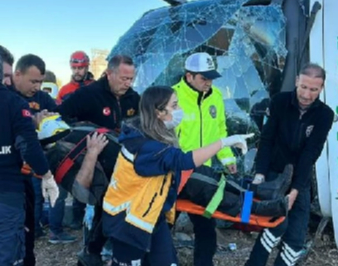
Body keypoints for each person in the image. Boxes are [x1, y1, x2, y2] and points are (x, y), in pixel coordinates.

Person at [102, 85, 251, 266]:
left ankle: (264, 195)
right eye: (174, 106)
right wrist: (223, 143)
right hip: (128, 222)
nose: (180, 110)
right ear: (158, 112)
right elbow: (183, 161)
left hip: (151, 215)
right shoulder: (145, 146)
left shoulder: (151, 134)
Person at [0, 42, 59, 266]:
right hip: (5, 197)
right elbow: (29, 146)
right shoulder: (13, 102)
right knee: (4, 260)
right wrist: (47, 175)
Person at [244, 63, 335, 266]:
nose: (307, 94)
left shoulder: (324, 114)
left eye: (313, 89)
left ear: (321, 88)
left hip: (300, 177)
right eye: (303, 87)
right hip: (274, 172)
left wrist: (295, 189)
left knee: (296, 235)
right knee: (275, 225)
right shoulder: (279, 102)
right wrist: (260, 174)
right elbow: (266, 140)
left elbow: (311, 153)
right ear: (297, 82)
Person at [56, 55, 140, 266]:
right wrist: (82, 142)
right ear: (108, 74)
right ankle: (90, 253)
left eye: (131, 79)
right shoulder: (88, 94)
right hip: (94, 166)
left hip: (122, 167)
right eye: (123, 78)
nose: (127, 83)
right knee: (94, 211)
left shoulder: (133, 98)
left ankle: (113, 251)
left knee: (115, 210)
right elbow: (60, 119)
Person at [172, 52, 236, 266]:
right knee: (161, 226)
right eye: (203, 78)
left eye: (211, 77)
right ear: (189, 76)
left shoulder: (216, 96)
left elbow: (220, 130)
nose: (208, 82)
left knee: (206, 228)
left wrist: (227, 158)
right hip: (174, 174)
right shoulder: (172, 98)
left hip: (202, 176)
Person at [13, 54, 77, 244]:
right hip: (18, 160)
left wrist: (51, 118)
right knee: (33, 197)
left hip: (44, 155)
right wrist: (31, 122)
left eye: (40, 82)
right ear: (18, 74)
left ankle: (53, 230)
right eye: (33, 81)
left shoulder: (43, 97)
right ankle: (32, 230)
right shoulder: (8, 97)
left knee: (51, 192)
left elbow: (60, 118)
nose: (37, 87)